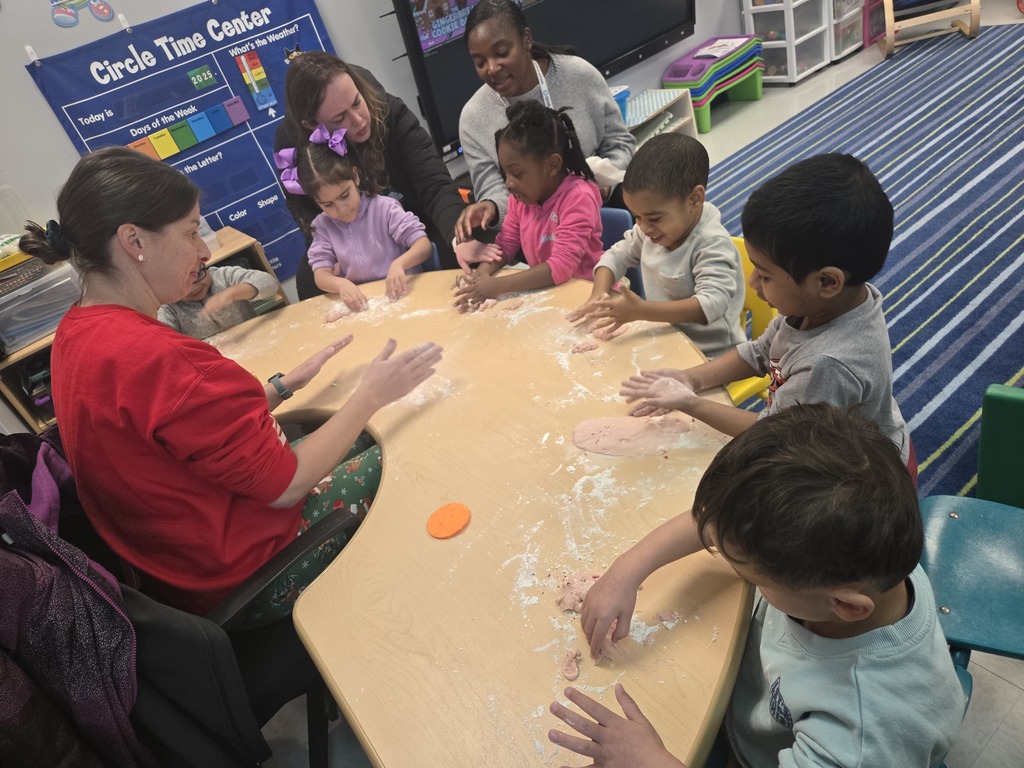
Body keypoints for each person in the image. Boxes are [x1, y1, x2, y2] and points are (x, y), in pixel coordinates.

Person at [19, 147, 443, 628]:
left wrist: (277, 389)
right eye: (189, 232)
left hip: (179, 575)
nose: (204, 251)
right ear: (134, 240)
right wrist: (371, 394)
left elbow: (171, 437)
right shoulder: (163, 358)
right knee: (405, 447)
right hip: (249, 575)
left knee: (361, 434)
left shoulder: (75, 333)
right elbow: (287, 485)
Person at [549, 404, 965, 767]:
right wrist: (627, 569)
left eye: (752, 576)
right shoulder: (865, 551)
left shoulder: (864, 732)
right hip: (748, 701)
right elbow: (714, 523)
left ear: (847, 607)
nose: (733, 565)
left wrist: (651, 762)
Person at [619, 153, 913, 475]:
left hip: (853, 474)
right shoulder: (820, 306)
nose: (751, 281)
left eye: (765, 274)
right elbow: (760, 352)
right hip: (806, 431)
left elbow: (773, 434)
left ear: (827, 281)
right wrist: (690, 379)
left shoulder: (829, 365)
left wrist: (690, 403)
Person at [276, 51, 467, 299]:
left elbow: (434, 185)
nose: (358, 120)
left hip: (409, 219)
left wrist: (458, 239)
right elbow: (306, 209)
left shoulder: (391, 112)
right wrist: (332, 255)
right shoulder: (291, 145)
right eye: (339, 118)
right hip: (341, 231)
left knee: (460, 252)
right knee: (310, 284)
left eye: (356, 102)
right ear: (313, 126)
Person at [455, 0, 634, 249]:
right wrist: (491, 208)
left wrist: (603, 182)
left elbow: (619, 142)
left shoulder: (579, 76)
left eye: (502, 53)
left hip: (603, 216)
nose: (492, 68)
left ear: (526, 39)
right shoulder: (473, 118)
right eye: (479, 61)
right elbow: (495, 190)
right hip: (536, 238)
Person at [567, 134, 745, 358]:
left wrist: (642, 311)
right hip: (663, 336)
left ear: (694, 198)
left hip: (710, 354)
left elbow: (710, 305)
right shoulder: (650, 231)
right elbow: (615, 256)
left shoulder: (711, 244)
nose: (643, 227)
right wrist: (599, 293)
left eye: (654, 218)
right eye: (636, 217)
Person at [453, 100, 603, 311]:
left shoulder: (578, 197)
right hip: (552, 295)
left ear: (552, 165)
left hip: (589, 295)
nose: (508, 183)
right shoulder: (520, 199)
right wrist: (482, 274)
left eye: (517, 173)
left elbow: (560, 268)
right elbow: (505, 245)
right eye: (505, 174)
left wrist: (496, 286)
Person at [277, 123, 433, 311]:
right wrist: (341, 284)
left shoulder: (384, 209)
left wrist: (399, 264)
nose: (341, 209)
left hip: (405, 297)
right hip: (365, 305)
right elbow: (321, 275)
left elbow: (423, 246)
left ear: (355, 176)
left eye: (345, 195)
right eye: (327, 204)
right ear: (315, 201)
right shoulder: (323, 226)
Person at [157, 262, 281, 339]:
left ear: (202, 264)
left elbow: (269, 283)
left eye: (197, 276)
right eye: (182, 285)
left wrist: (231, 293)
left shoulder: (222, 276)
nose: (193, 288)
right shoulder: (168, 306)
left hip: (258, 340)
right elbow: (164, 340)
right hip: (214, 362)